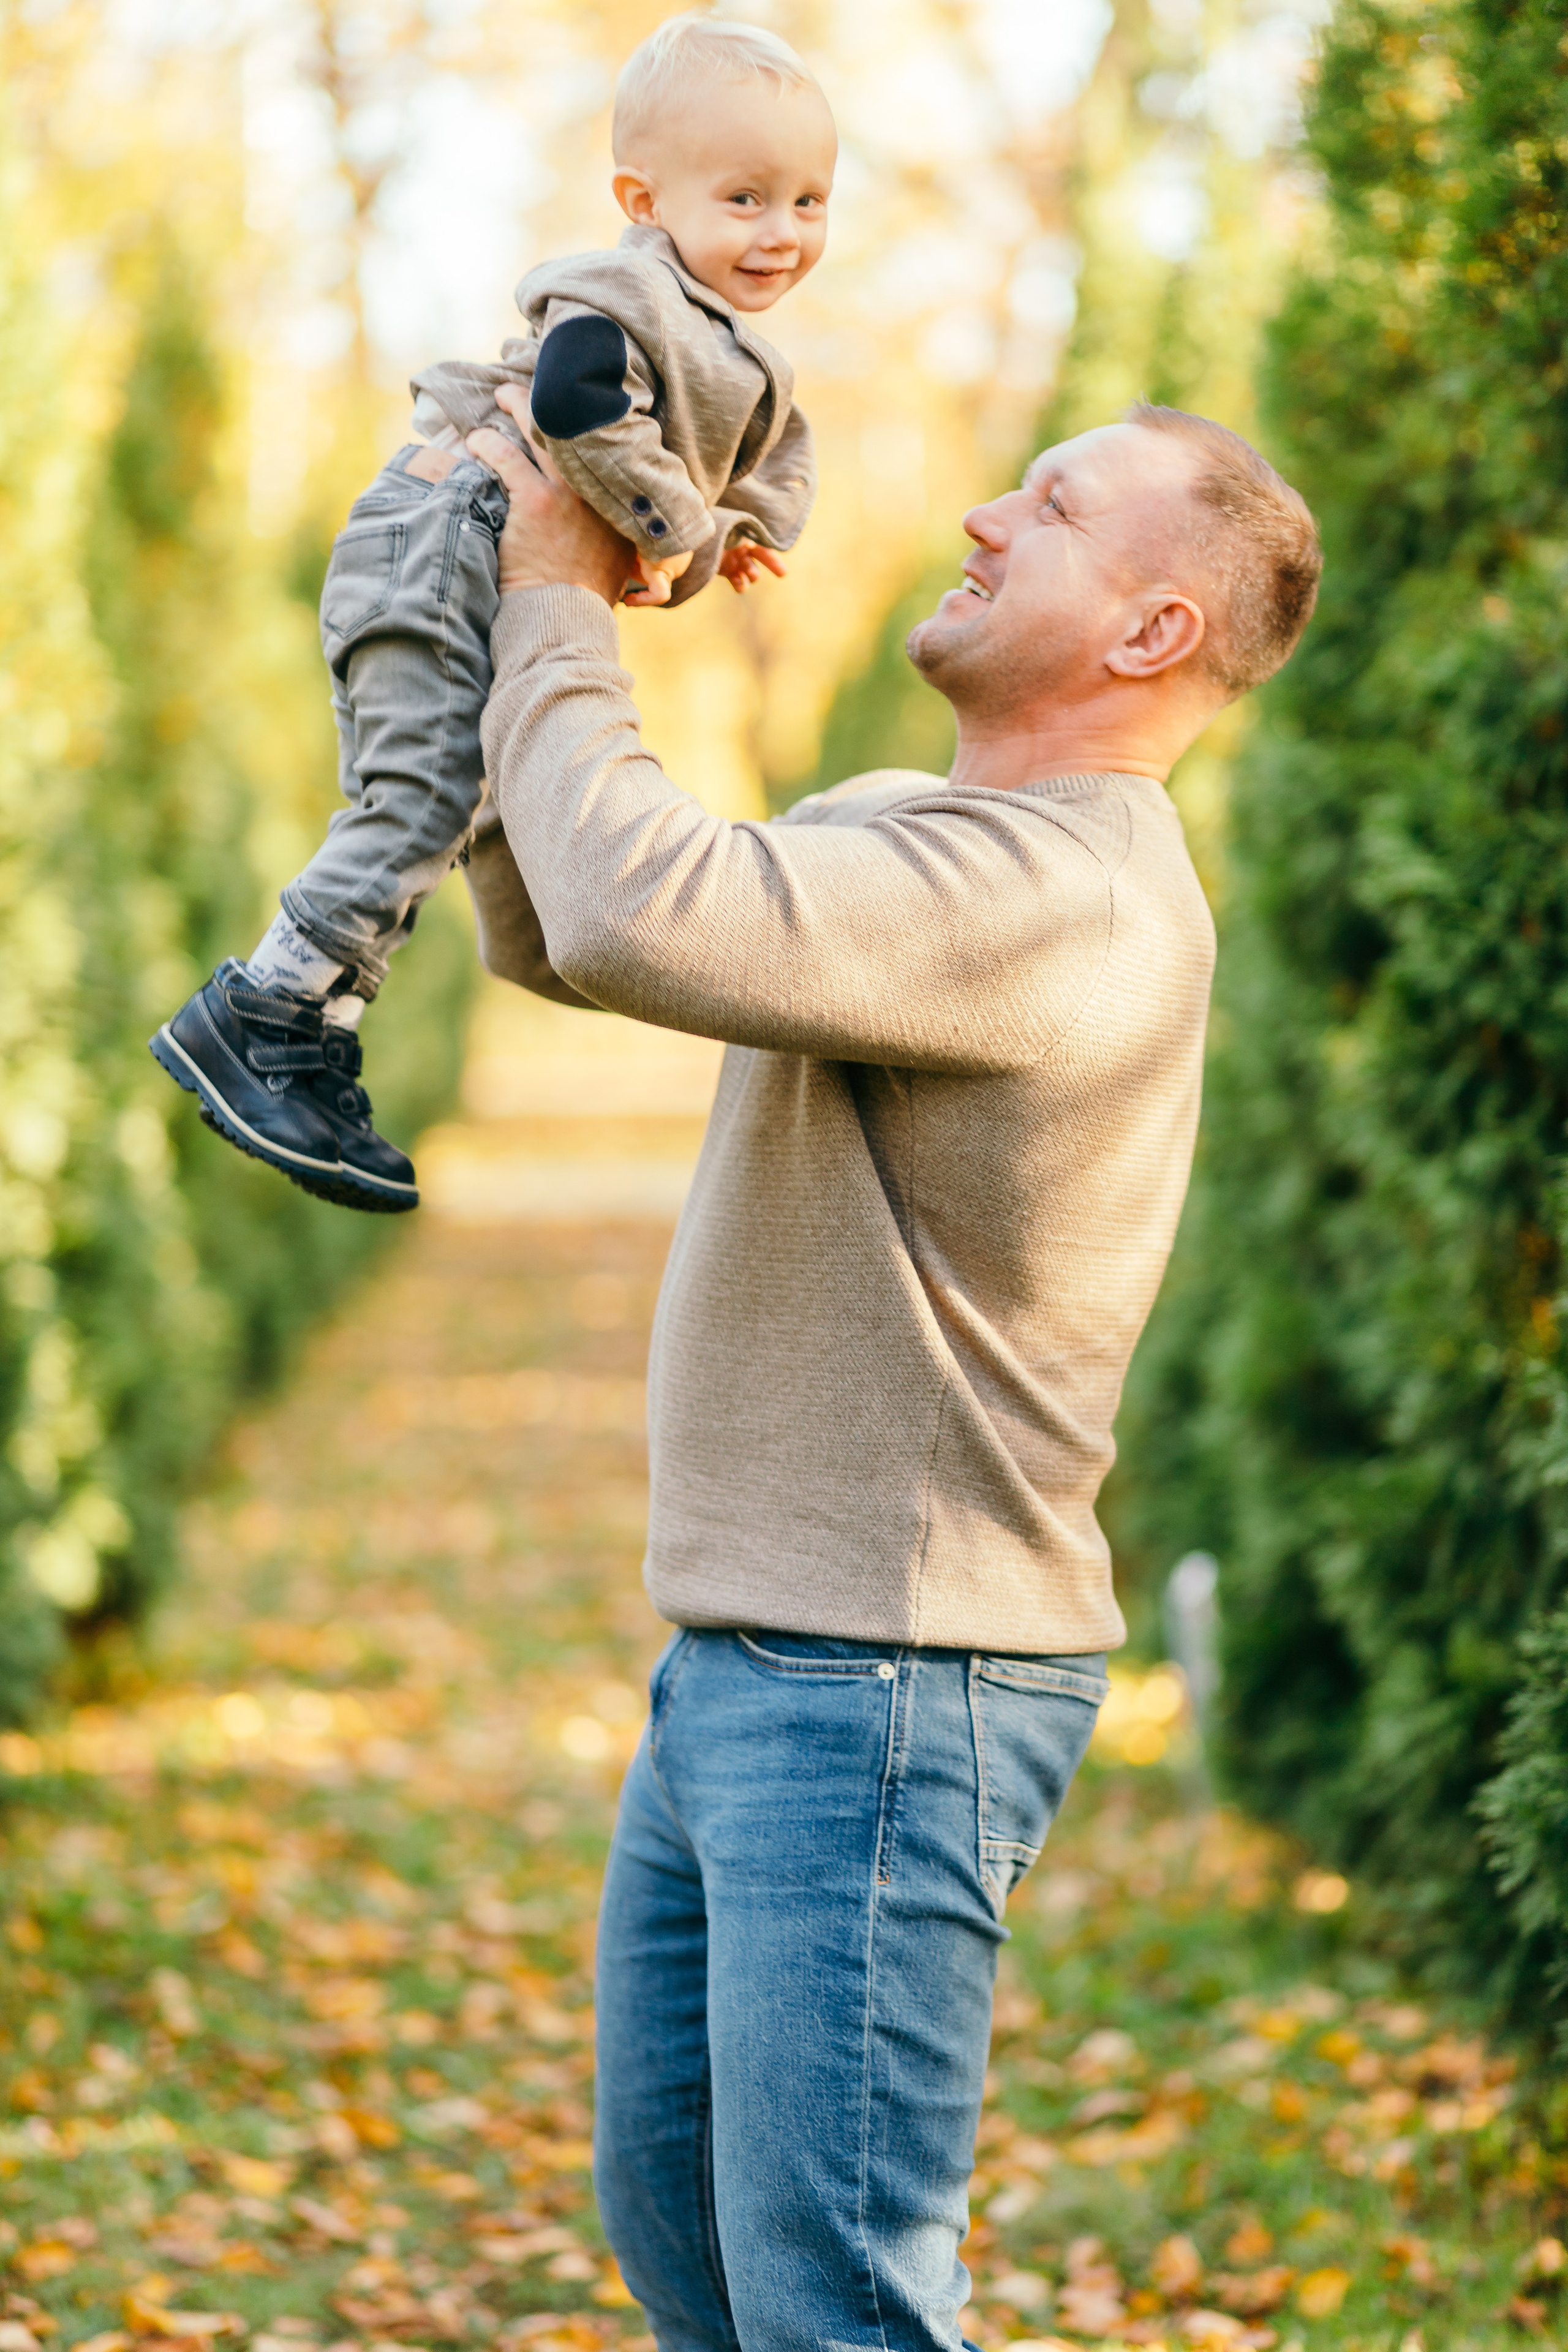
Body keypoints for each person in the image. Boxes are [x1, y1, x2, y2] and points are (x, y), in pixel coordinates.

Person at [462, 394, 1322, 2352]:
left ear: (1154, 633)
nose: (980, 511)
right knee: (691, 2248)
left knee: (835, 2302)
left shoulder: (1068, 899)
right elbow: (577, 931)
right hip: (762, 1660)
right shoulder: (918, 838)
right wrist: (479, 621)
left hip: (890, 1685)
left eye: (1055, 504)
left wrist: (553, 604)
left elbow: (638, 900)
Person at [148, 13, 834, 1213]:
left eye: (808, 202)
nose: (780, 232)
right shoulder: (619, 290)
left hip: (470, 563)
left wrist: (723, 536)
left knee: (463, 802)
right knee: (414, 796)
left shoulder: (724, 341)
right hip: (433, 543)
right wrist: (679, 527)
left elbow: (718, 462)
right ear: (643, 196)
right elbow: (574, 407)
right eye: (744, 199)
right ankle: (257, 1012)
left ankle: (313, 1033)